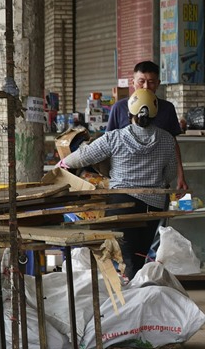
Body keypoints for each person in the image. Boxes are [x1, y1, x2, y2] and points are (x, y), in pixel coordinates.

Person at [61, 88, 177, 280]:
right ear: (156, 114)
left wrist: (63, 164)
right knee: (139, 256)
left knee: (126, 258)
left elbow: (82, 157)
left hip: (121, 205)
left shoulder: (115, 137)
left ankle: (130, 298)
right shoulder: (167, 140)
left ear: (129, 113)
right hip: (154, 205)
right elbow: (170, 173)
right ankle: (137, 292)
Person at [106, 60, 188, 193]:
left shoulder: (167, 108)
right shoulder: (119, 108)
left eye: (151, 82)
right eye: (141, 81)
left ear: (158, 84)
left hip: (156, 183)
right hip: (124, 185)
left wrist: (180, 175)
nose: (145, 87)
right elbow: (107, 144)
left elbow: (173, 143)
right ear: (133, 82)